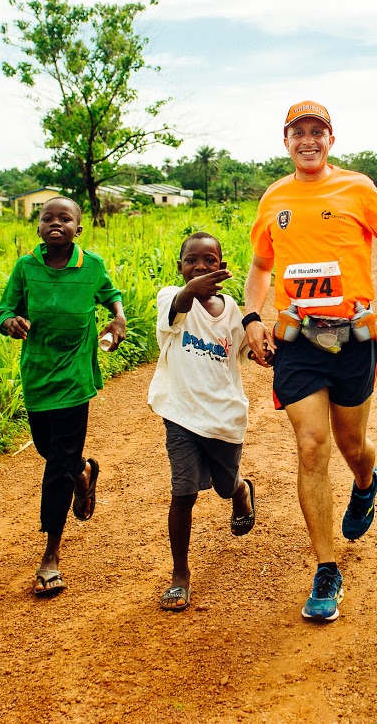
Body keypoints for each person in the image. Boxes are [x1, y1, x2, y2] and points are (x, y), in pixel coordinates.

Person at [242, 100, 377, 621]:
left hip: (352, 340)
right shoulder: (274, 198)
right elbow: (260, 267)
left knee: (353, 446)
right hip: (299, 342)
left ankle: (366, 485)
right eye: (297, 132)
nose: (308, 140)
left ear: (331, 139)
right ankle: (326, 568)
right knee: (311, 446)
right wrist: (252, 318)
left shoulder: (358, 189)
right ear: (285, 141)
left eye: (317, 132)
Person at [0, 196, 126, 598]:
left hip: (74, 376)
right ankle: (83, 471)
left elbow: (111, 294)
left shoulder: (92, 266)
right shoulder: (25, 267)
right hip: (37, 375)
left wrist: (117, 318)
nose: (56, 223)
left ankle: (50, 555)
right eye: (47, 218)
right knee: (46, 448)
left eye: (65, 218)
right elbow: (4, 309)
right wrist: (10, 322)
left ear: (78, 229)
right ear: (37, 227)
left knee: (56, 467)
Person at [147, 231, 257, 612]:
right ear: (180, 267)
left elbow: (251, 350)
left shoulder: (234, 312)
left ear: (222, 266)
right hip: (180, 414)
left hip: (224, 418)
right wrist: (190, 288)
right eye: (191, 260)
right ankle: (180, 574)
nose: (200, 266)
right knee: (184, 492)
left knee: (225, 486)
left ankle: (241, 492)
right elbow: (179, 302)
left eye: (209, 260)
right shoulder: (171, 299)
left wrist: (268, 350)